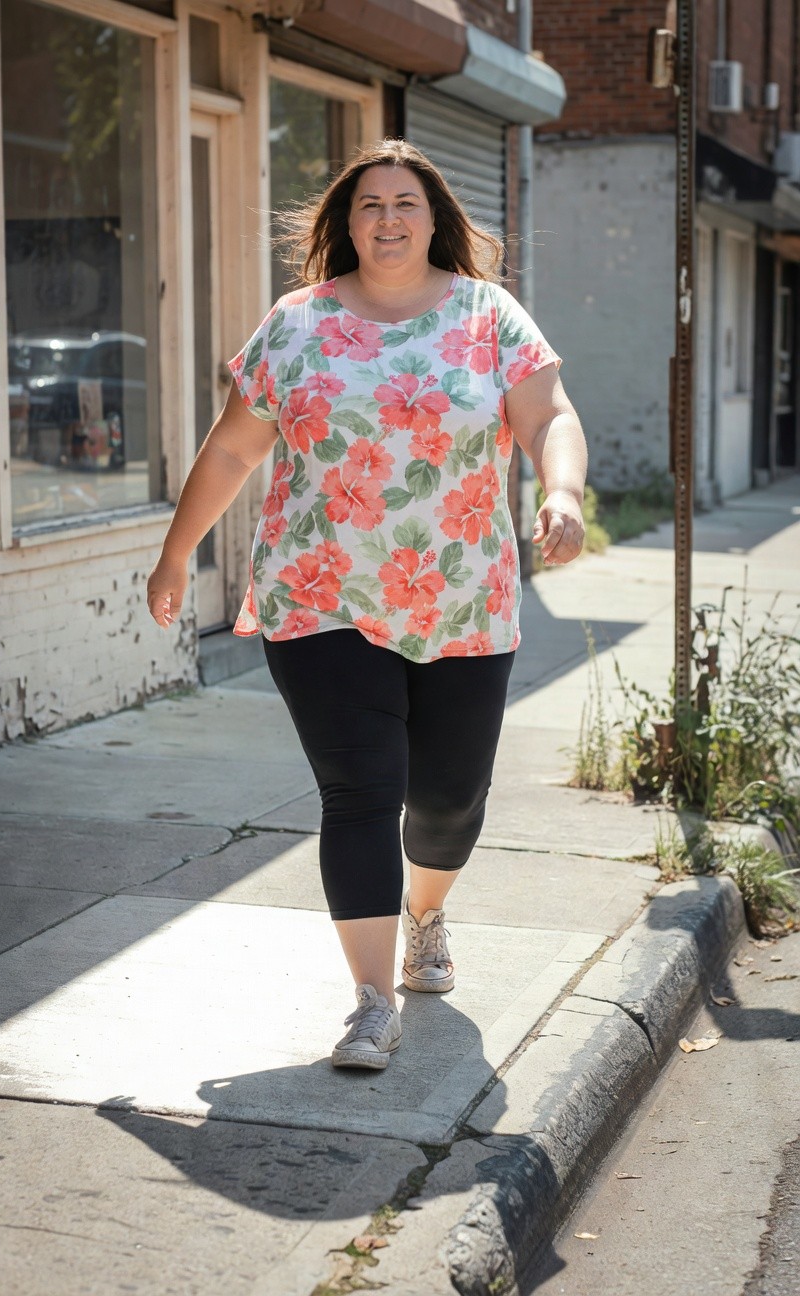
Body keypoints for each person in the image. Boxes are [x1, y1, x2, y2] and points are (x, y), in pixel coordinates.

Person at [147, 139, 587, 1073]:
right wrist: (176, 553)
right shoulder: (297, 323)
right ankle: (372, 1002)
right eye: (370, 205)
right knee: (359, 791)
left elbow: (548, 416)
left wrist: (563, 492)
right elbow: (232, 449)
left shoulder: (487, 315)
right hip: (320, 595)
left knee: (449, 800)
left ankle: (427, 914)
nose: (388, 218)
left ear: (435, 220)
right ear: (345, 224)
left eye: (406, 203)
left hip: (462, 600)